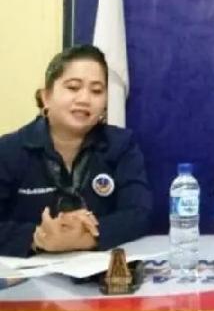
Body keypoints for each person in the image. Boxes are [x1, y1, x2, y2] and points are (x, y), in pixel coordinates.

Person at [0, 46, 152, 257]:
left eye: (96, 91)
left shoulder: (121, 145)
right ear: (46, 97)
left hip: (97, 272)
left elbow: (139, 213)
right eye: (73, 87)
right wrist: (37, 237)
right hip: (28, 273)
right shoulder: (9, 150)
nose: (84, 99)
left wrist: (85, 238)